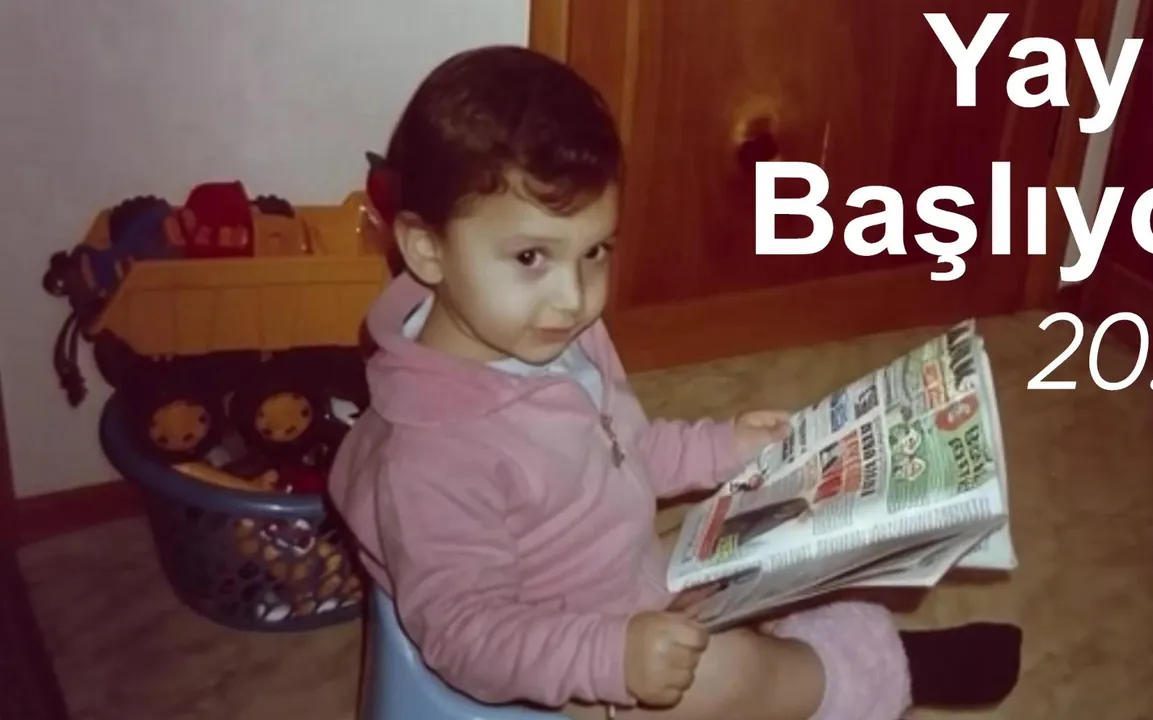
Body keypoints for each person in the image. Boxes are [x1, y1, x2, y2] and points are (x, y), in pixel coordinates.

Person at [327, 45, 1022, 720]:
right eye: (531, 257)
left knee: (770, 534)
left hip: (614, 570)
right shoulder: (431, 458)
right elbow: (466, 635)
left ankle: (818, 649)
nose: (574, 297)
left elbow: (622, 447)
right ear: (426, 249)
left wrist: (723, 447)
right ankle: (879, 675)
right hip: (559, 662)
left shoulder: (542, 333)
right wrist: (612, 657)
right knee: (726, 673)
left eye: (595, 252)